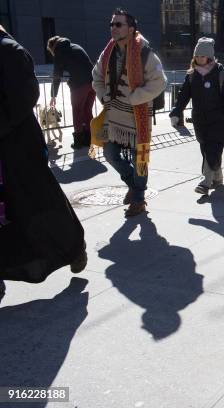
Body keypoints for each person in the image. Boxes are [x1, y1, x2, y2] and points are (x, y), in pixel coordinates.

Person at [0, 25, 87, 285]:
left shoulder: (8, 51)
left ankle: (73, 248)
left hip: (18, 147)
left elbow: (25, 95)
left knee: (42, 202)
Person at [92, 8, 167, 217]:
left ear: (131, 29)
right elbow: (96, 76)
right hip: (113, 119)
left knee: (139, 160)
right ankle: (134, 187)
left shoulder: (144, 52)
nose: (113, 28)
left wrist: (135, 98)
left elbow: (160, 82)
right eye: (112, 24)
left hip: (137, 119)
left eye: (118, 24)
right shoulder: (108, 51)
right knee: (110, 154)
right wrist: (103, 95)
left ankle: (138, 199)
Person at [169, 38, 224, 196]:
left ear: (209, 56)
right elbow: (183, 96)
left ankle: (205, 182)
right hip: (199, 120)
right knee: (206, 150)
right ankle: (218, 177)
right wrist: (176, 111)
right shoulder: (192, 75)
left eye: (202, 56)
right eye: (197, 56)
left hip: (219, 120)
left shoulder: (222, 75)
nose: (199, 59)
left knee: (212, 150)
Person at [47, 36, 96, 149]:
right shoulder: (76, 46)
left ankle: (78, 141)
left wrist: (53, 95)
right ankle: (89, 139)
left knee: (77, 112)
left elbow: (56, 76)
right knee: (87, 111)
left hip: (79, 85)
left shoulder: (59, 52)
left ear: (52, 47)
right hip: (93, 83)